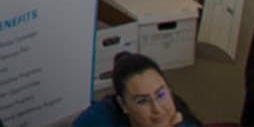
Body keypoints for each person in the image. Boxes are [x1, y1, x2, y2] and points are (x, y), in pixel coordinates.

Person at [74, 52, 202, 127]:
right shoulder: (98, 120)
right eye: (142, 101)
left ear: (169, 91)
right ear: (123, 104)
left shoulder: (184, 122)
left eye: (161, 94)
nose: (157, 109)